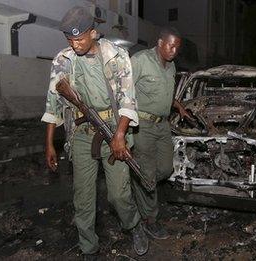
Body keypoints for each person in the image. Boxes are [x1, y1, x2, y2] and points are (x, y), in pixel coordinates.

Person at [41, 6, 148, 259]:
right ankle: (88, 246)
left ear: (93, 33)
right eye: (70, 39)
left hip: (113, 128)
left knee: (119, 195)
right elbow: (52, 103)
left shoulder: (116, 56)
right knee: (83, 196)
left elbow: (127, 101)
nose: (75, 44)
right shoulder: (62, 60)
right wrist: (49, 144)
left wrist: (120, 136)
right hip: (80, 133)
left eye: (79, 39)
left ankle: (134, 226)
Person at [130, 27, 191, 240]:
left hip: (163, 126)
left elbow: (165, 93)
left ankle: (139, 182)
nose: (174, 51)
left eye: (177, 47)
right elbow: (123, 89)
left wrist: (178, 105)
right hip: (142, 125)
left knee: (166, 169)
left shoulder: (171, 66)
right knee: (147, 174)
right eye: (170, 45)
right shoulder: (140, 60)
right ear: (159, 42)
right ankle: (150, 220)